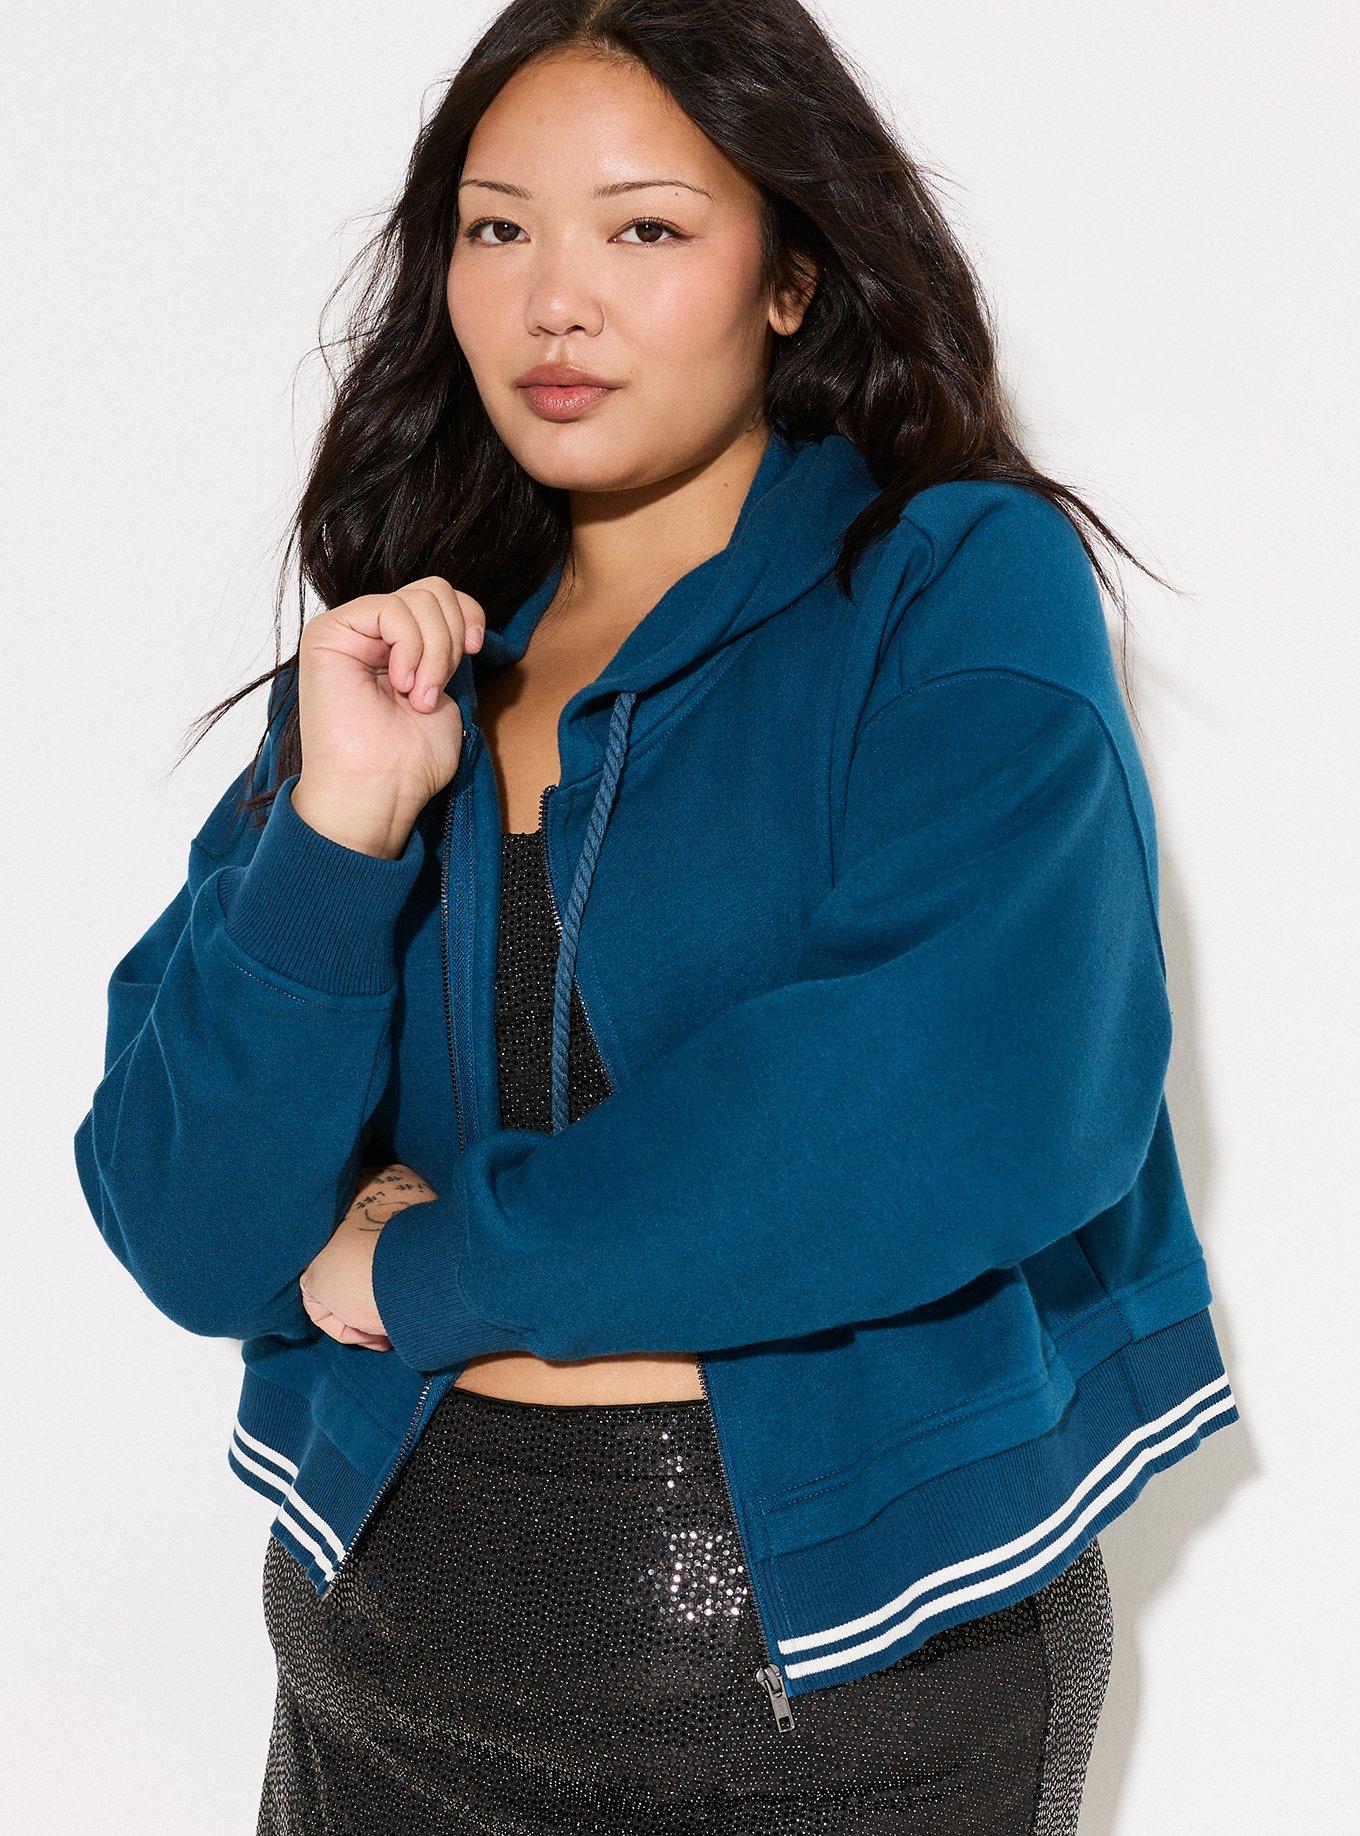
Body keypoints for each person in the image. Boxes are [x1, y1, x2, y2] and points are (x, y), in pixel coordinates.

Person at [72, 2, 1240, 1830]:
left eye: (645, 228)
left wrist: (416, 1267)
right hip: (383, 1681)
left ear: (791, 277)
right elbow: (185, 1221)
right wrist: (341, 826)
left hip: (851, 1694)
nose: (556, 301)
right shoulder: (405, 661)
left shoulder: (949, 583)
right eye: (497, 228)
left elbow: (949, 1095)